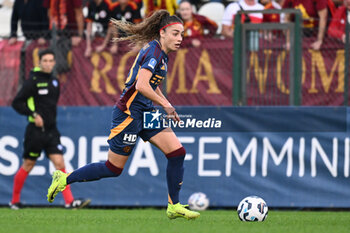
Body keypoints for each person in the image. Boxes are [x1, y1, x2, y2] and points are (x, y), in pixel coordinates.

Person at [47, 10, 200, 220]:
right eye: (175, 33)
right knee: (113, 168)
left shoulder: (161, 54)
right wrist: (165, 104)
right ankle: (63, 179)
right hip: (129, 113)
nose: (180, 39)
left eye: (182, 34)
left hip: (146, 111)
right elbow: (141, 85)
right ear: (162, 33)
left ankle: (174, 206)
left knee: (177, 153)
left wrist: (166, 103)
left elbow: (152, 86)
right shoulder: (154, 53)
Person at [10, 49, 91, 210]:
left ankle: (70, 202)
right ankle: (14, 201)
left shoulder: (54, 82)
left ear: (54, 63)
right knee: (28, 164)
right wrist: (33, 115)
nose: (47, 64)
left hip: (51, 131)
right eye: (45, 61)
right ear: (39, 62)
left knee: (60, 163)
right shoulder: (32, 81)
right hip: (35, 132)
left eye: (50, 61)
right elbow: (17, 103)